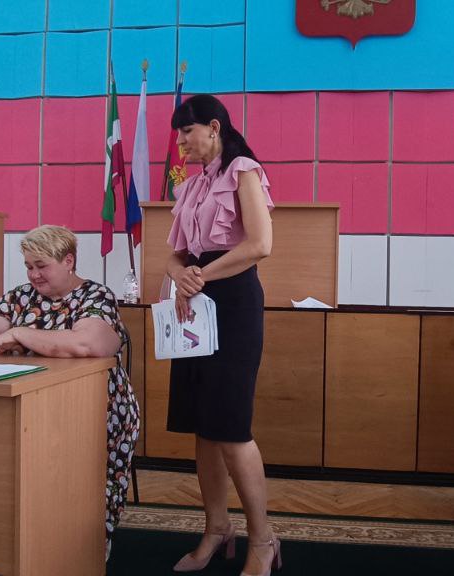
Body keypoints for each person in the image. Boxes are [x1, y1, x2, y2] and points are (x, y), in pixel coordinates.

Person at [0, 225, 140, 560]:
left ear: (68, 261)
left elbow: (88, 344)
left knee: (80, 491)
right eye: (29, 266)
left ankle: (84, 552)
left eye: (41, 265)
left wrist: (20, 333)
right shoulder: (20, 297)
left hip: (97, 411)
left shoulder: (95, 296)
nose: (33, 274)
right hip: (34, 407)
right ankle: (32, 548)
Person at [163, 94, 279, 576]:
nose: (181, 142)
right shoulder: (191, 186)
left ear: (213, 127)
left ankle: (263, 539)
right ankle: (217, 528)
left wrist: (200, 277)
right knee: (203, 427)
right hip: (194, 306)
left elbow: (260, 244)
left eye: (187, 132)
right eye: (178, 134)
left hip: (232, 305)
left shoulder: (244, 170)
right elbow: (174, 255)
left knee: (231, 428)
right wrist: (182, 276)